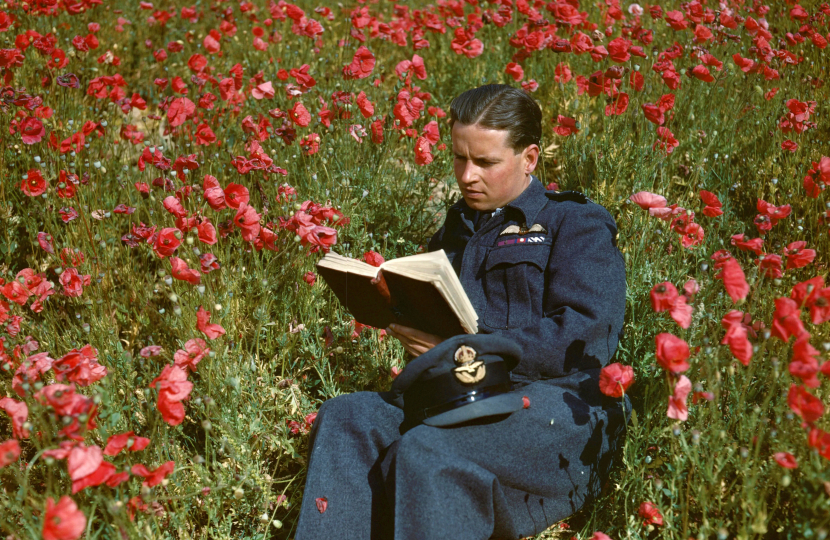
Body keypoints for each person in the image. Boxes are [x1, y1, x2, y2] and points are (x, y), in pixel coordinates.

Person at [294, 84, 629, 540]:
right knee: (348, 417)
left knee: (428, 449)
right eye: (458, 158)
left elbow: (587, 339)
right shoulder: (459, 227)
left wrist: (465, 347)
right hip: (465, 396)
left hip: (561, 409)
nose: (467, 175)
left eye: (486, 162)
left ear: (529, 158)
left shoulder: (574, 222)